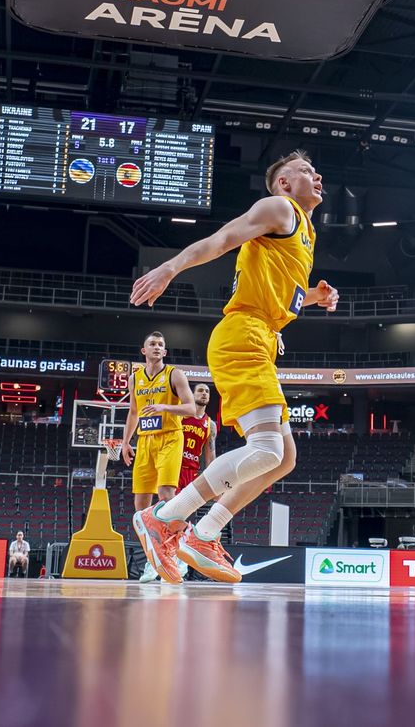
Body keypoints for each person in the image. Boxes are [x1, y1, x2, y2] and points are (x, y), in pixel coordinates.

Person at [130, 149, 339, 584]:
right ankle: (166, 517)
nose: (316, 175)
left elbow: (285, 295)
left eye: (316, 170)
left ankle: (204, 534)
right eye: (305, 170)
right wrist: (170, 267)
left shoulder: (304, 233)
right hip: (243, 336)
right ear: (283, 183)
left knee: (284, 460)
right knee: (268, 451)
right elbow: (222, 240)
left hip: (260, 340)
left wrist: (316, 296)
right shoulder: (280, 208)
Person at [119, 331, 194, 584]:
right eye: (152, 343)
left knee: (166, 496)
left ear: (165, 351)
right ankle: (154, 561)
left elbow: (191, 408)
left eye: (161, 344)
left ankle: (178, 554)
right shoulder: (135, 378)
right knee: (141, 509)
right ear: (144, 350)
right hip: (145, 441)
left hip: (171, 437)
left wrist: (165, 407)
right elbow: (133, 412)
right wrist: (126, 442)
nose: (157, 347)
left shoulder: (175, 374)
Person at [177, 384, 218, 499]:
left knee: (184, 510)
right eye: (200, 390)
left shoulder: (210, 425)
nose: (204, 393)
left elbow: (210, 457)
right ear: (192, 394)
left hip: (192, 472)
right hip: (175, 466)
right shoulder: (181, 415)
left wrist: (214, 479)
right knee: (170, 504)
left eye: (207, 391)